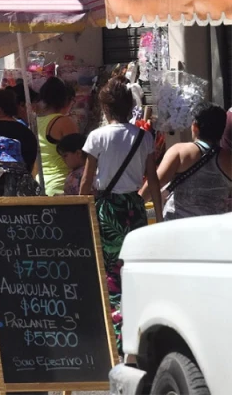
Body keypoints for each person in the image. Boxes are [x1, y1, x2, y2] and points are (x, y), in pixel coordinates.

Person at [80, 77, 162, 352]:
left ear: (105, 108)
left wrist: (80, 209)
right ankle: (138, 328)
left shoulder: (97, 137)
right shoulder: (144, 136)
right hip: (135, 207)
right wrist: (158, 217)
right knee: (133, 268)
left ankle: (119, 335)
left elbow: (86, 181)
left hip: (108, 209)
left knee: (111, 272)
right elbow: (152, 179)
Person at [152, 104, 231, 220]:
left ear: (194, 127)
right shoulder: (228, 159)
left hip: (178, 227)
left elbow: (154, 185)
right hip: (213, 230)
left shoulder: (179, 152)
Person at [36, 77, 80, 195]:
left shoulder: (36, 122)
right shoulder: (63, 122)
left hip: (40, 183)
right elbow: (78, 156)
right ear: (66, 100)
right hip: (61, 185)